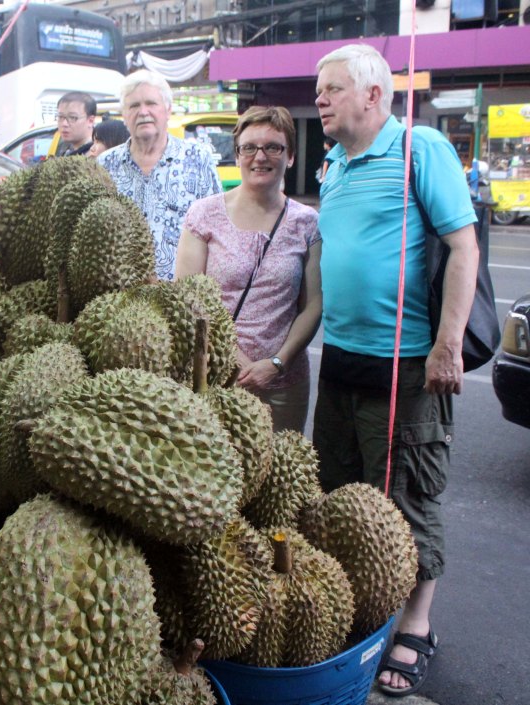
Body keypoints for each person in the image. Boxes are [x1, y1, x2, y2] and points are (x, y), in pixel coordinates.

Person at [313, 44, 479, 698]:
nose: (320, 98)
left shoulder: (420, 148)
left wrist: (447, 344)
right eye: (319, 88)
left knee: (409, 497)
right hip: (341, 361)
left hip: (407, 365)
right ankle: (363, 607)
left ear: (373, 95)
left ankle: (416, 625)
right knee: (340, 492)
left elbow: (463, 246)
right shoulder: (333, 163)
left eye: (331, 88)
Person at [175, 106, 322, 433]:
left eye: (273, 147)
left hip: (284, 383)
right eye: (249, 148)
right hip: (215, 377)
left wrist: (278, 362)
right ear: (237, 155)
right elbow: (186, 299)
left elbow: (313, 305)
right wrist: (231, 356)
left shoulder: (307, 222)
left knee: (279, 463)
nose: (260, 157)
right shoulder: (204, 214)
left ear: (290, 156)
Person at [99, 70, 222, 281]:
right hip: (119, 294)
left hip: (182, 295)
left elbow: (218, 227)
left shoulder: (198, 159)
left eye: (151, 103)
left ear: (168, 110)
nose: (143, 112)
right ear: (124, 116)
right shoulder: (105, 164)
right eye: (134, 106)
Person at [56, 92, 97, 156]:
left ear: (90, 121)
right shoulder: (67, 152)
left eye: (73, 117)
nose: (64, 124)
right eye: (60, 117)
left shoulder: (96, 155)